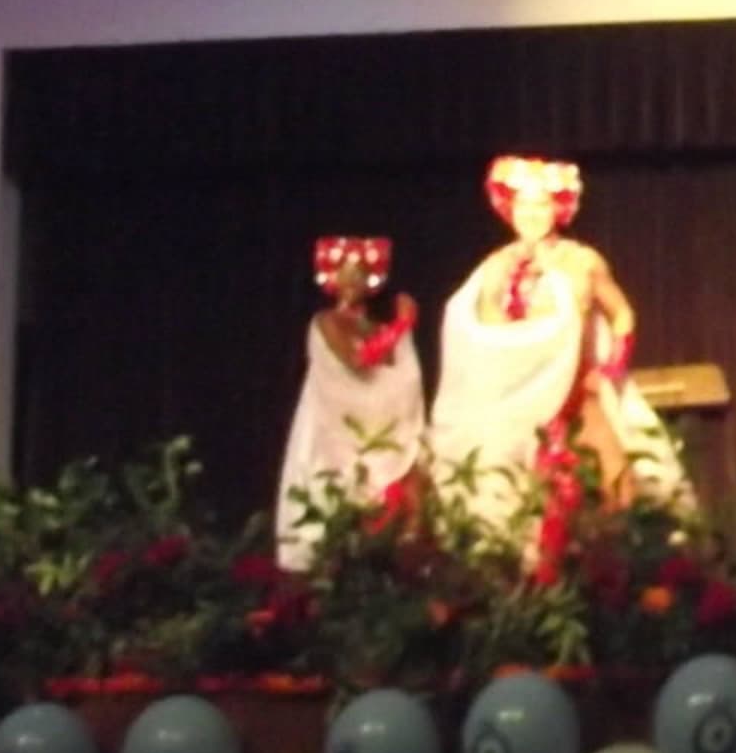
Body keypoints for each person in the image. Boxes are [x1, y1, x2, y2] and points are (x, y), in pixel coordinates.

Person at [425, 157, 679, 554]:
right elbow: (485, 329)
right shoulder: (496, 265)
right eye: (523, 205)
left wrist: (611, 367)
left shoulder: (582, 261)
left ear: (557, 209)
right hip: (521, 398)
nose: (531, 214)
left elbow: (622, 314)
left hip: (578, 391)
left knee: (613, 476)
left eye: (540, 204)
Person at [271, 237, 427, 567]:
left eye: (359, 273)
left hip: (377, 425)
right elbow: (356, 362)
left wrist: (397, 330)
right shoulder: (326, 321)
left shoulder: (376, 328)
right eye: (345, 273)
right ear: (333, 280)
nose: (353, 280)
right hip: (335, 427)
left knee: (412, 472)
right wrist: (401, 324)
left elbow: (395, 374)